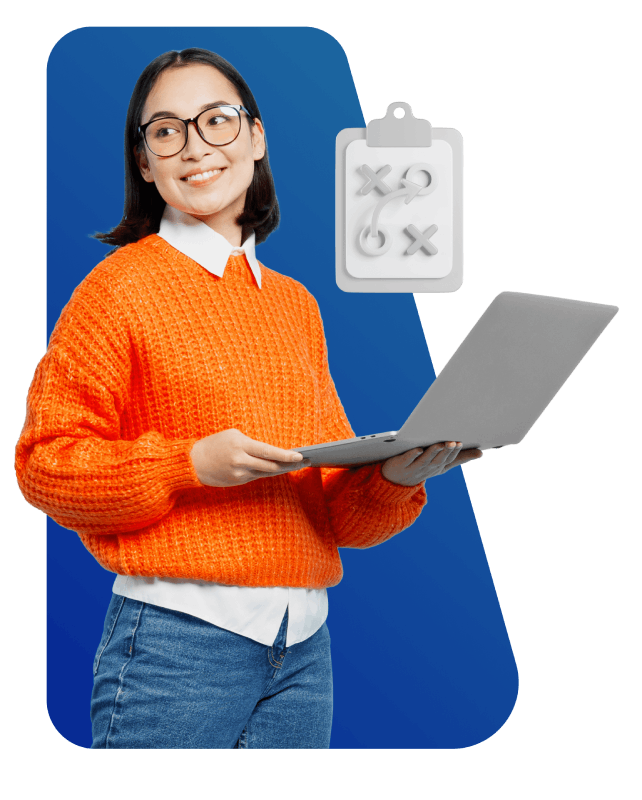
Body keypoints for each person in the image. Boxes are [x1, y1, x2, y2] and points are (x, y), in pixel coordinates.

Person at [18, 48, 481, 749]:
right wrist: (188, 464)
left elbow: (332, 514)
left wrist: (394, 476)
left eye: (217, 121)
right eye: (166, 130)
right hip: (177, 648)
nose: (195, 145)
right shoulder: (119, 290)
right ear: (145, 162)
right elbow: (44, 467)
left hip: (305, 649)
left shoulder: (295, 305)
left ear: (257, 138)